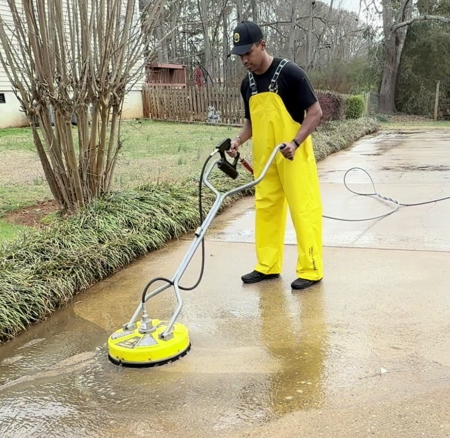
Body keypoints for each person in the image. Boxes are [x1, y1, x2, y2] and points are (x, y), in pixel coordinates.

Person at [228, 21, 324, 290]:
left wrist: (295, 142)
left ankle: (311, 267)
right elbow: (251, 123)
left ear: (262, 44)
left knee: (303, 209)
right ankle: (267, 266)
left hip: (293, 154)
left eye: (248, 52)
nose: (244, 60)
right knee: (266, 209)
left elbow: (315, 112)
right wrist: (238, 140)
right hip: (265, 159)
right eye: (240, 55)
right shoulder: (246, 84)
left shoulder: (290, 73)